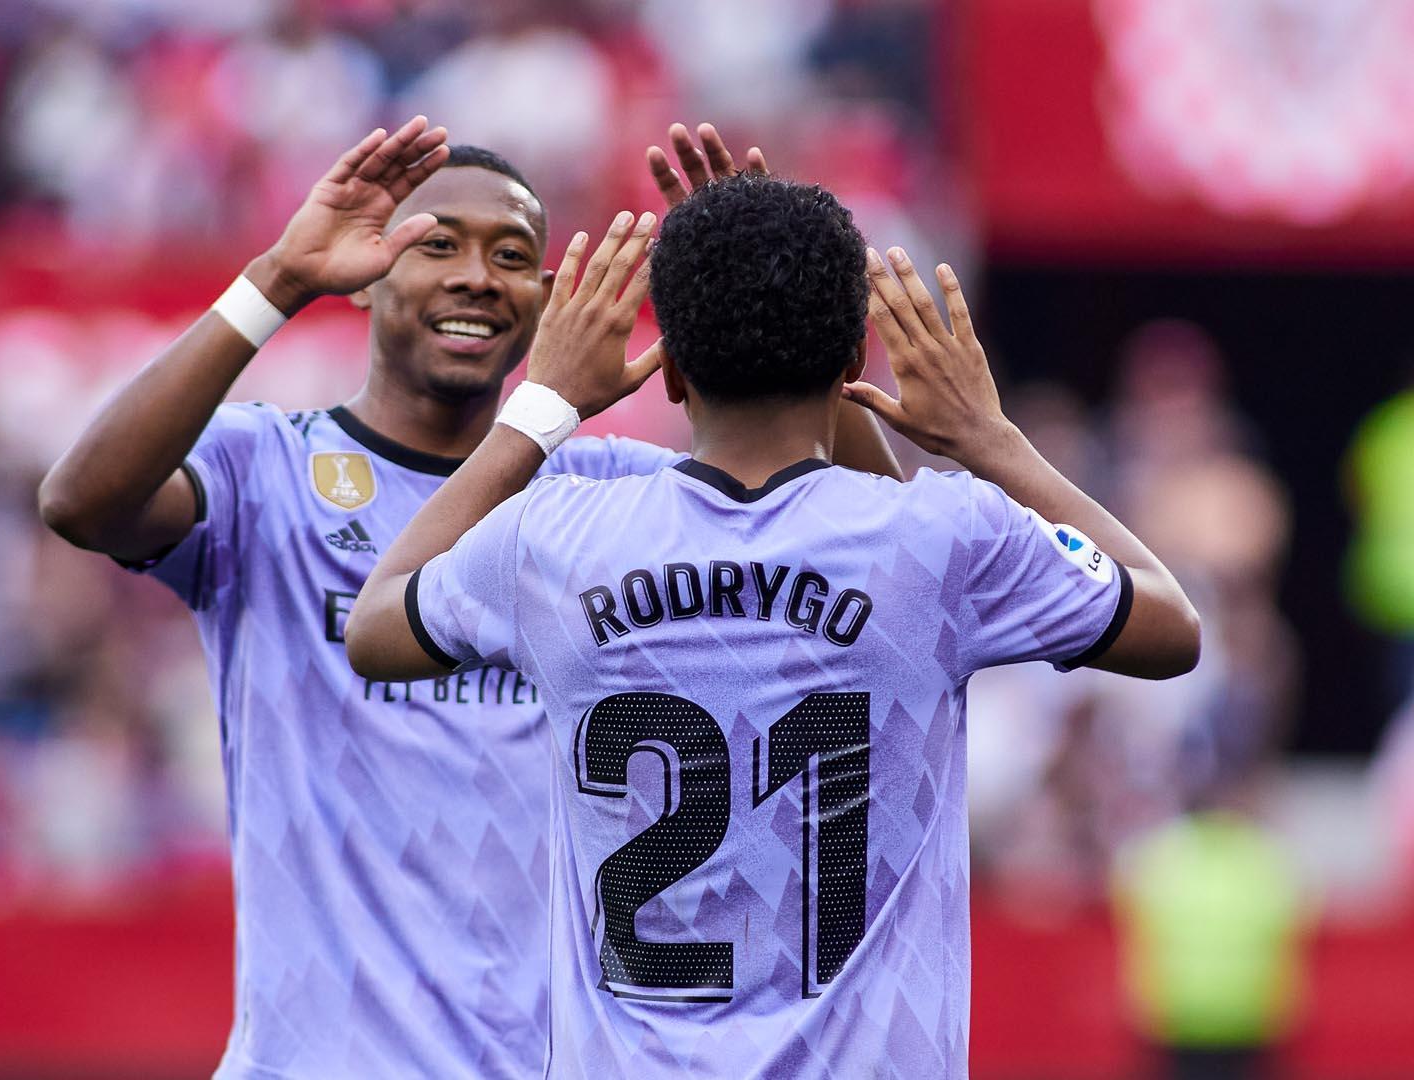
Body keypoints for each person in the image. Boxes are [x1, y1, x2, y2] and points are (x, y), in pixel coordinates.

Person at [39, 117, 899, 1077]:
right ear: (366, 274)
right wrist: (279, 277)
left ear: (544, 300)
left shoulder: (604, 498)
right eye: (435, 243)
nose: (476, 276)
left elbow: (867, 533)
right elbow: (81, 502)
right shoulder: (266, 469)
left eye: (511, 256)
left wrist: (761, 300)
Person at [345, 173, 1201, 1075]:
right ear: (848, 370)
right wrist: (989, 439)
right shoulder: (945, 538)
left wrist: (543, 405)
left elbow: (376, 622)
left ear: (669, 369)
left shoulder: (552, 539)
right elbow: (1169, 623)